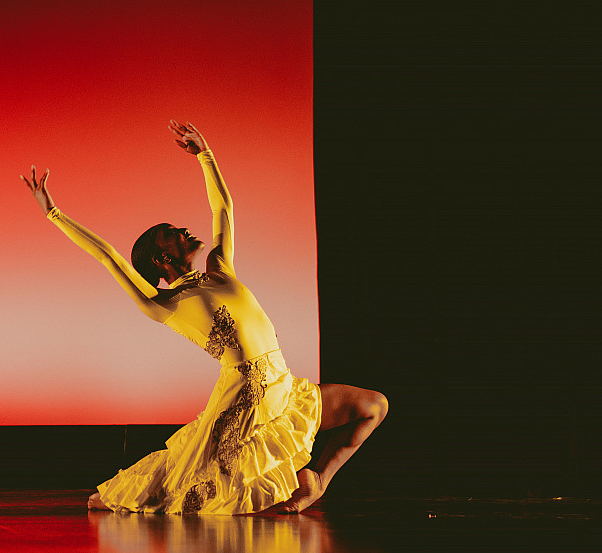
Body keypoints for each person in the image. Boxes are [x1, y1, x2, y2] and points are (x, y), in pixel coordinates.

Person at [21, 121, 388, 514]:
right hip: (246, 401)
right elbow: (108, 255)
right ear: (162, 260)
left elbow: (223, 207)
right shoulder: (164, 302)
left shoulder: (220, 268)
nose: (182, 229)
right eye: (170, 234)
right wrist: (53, 213)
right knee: (199, 483)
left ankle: (317, 482)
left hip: (284, 383)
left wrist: (205, 156)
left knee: (375, 406)